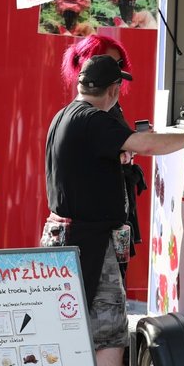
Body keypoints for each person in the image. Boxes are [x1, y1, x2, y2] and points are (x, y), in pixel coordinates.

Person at [45, 55, 184, 366]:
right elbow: (147, 144)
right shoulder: (96, 120)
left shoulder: (66, 116)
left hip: (67, 236)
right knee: (108, 333)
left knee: (70, 329)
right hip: (88, 240)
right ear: (112, 90)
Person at [60, 35, 146, 268]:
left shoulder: (98, 107)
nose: (116, 70)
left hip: (110, 213)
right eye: (110, 62)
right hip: (96, 224)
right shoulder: (90, 112)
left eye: (119, 65)